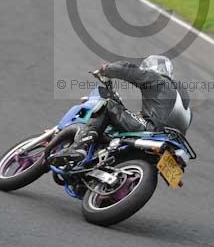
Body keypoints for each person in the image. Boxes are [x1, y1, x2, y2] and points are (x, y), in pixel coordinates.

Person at [52, 55, 192, 165]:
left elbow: (127, 70)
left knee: (108, 105)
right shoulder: (181, 97)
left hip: (152, 132)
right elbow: (164, 118)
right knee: (121, 120)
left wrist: (106, 69)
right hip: (171, 143)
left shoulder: (156, 79)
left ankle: (79, 147)